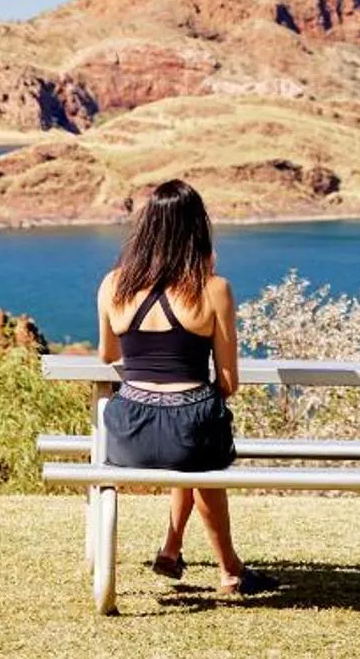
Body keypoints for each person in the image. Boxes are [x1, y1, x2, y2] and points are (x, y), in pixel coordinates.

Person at [96, 178, 275, 595]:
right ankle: (229, 571)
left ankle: (174, 548)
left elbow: (107, 355)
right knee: (193, 435)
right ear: (198, 228)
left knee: (188, 437)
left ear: (145, 227)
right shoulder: (214, 289)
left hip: (128, 432)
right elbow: (229, 382)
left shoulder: (113, 285)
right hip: (188, 431)